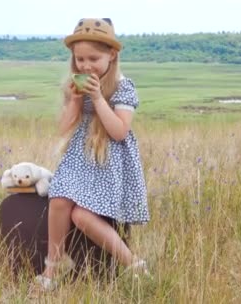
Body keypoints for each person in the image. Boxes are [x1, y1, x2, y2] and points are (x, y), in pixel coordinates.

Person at [34, 18, 150, 291]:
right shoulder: (77, 85)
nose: (85, 66)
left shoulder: (123, 87)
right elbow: (64, 128)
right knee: (59, 199)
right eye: (80, 60)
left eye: (93, 59)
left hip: (108, 161)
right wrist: (75, 100)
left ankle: (133, 263)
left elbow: (119, 131)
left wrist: (98, 99)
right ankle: (53, 266)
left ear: (112, 55)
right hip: (79, 158)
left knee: (83, 217)